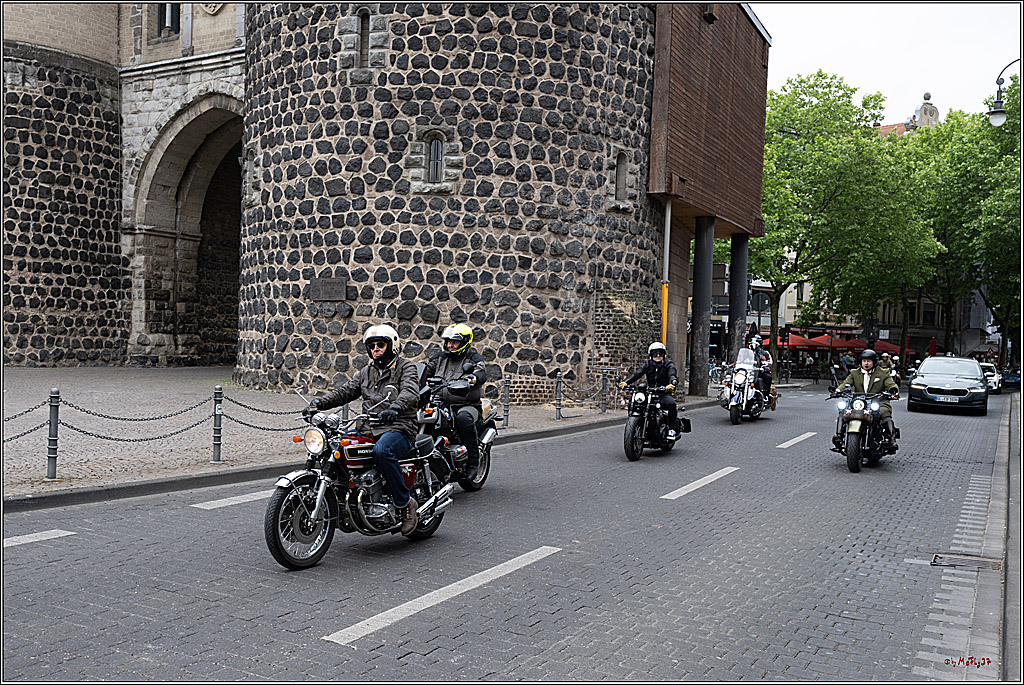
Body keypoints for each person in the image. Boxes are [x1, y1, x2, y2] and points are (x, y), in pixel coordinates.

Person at [306, 324, 422, 535]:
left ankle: (405, 504)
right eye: (372, 346)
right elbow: (346, 392)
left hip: (399, 427)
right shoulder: (366, 372)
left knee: (382, 451)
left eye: (380, 345)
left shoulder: (406, 367)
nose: (376, 349)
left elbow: (411, 391)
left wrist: (396, 406)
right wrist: (319, 403)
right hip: (368, 428)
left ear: (392, 345)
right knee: (336, 447)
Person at [421, 323, 487, 480]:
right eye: (448, 341)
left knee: (463, 419)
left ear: (464, 342)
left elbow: (480, 372)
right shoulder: (439, 358)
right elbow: (424, 370)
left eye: (454, 342)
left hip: (466, 404)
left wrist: (472, 379)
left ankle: (473, 461)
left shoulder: (473, 358)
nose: (450, 345)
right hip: (439, 402)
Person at [832, 349, 900, 452]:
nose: (866, 363)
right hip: (859, 402)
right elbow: (846, 383)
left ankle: (892, 440)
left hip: (878, 401)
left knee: (884, 413)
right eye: (864, 361)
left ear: (874, 362)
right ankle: (839, 437)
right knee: (843, 411)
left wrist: (893, 391)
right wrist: (837, 391)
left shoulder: (883, 372)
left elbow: (890, 383)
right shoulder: (855, 373)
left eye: (869, 361)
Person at [619, 342, 680, 439]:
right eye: (655, 354)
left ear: (663, 354)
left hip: (662, 392)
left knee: (671, 404)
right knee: (635, 402)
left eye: (660, 353)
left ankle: (671, 430)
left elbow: (672, 373)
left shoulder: (668, 364)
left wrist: (672, 383)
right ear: (651, 355)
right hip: (650, 392)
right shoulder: (647, 364)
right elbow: (637, 374)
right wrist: (626, 382)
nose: (658, 356)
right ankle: (635, 424)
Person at [747, 334, 775, 407]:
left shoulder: (765, 353)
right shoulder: (747, 353)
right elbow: (741, 360)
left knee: (767, 377)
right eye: (751, 343)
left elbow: (770, 361)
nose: (753, 345)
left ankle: (766, 395)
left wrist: (765, 365)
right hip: (749, 372)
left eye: (755, 343)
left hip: (759, 372)